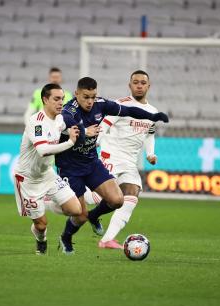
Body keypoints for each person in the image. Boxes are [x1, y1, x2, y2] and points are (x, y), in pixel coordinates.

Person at [56, 77, 169, 254]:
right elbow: (69, 126)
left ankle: (95, 216)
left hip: (92, 163)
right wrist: (85, 132)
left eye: (93, 96)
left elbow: (128, 110)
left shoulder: (100, 105)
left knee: (117, 200)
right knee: (80, 215)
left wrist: (152, 116)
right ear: (76, 94)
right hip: (70, 168)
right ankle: (66, 237)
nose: (90, 101)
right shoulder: (68, 112)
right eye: (86, 97)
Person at [14, 83, 82, 255]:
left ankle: (47, 202)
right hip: (28, 180)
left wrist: (86, 132)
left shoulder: (59, 119)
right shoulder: (35, 122)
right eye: (56, 99)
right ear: (45, 99)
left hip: (47, 175)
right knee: (41, 225)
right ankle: (41, 240)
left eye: (62, 99)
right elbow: (43, 151)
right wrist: (70, 143)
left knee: (76, 210)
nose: (61, 103)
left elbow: (65, 128)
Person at [95, 70, 158, 249]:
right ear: (129, 85)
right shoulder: (120, 106)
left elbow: (149, 135)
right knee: (95, 196)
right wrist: (95, 143)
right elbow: (104, 126)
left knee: (132, 193)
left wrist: (149, 154)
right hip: (110, 157)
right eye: (135, 82)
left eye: (142, 82)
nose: (139, 85)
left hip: (129, 162)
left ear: (148, 86)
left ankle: (107, 240)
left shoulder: (153, 112)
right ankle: (54, 198)